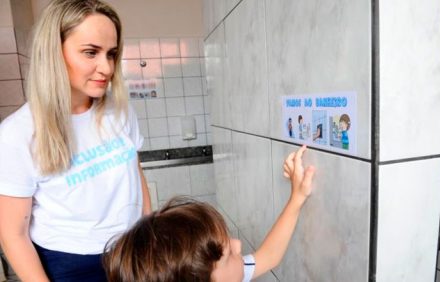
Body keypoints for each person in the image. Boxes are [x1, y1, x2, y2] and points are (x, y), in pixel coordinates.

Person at [0, 0, 151, 281]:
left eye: (112, 54)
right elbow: (13, 234)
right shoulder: (17, 133)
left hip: (131, 249)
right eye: (91, 52)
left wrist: (148, 232)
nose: (106, 67)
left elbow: (135, 173)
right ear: (54, 52)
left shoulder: (121, 111)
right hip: (69, 264)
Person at [103, 145, 316, 282]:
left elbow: (268, 256)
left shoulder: (222, 275)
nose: (239, 245)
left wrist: (296, 197)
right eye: (229, 255)